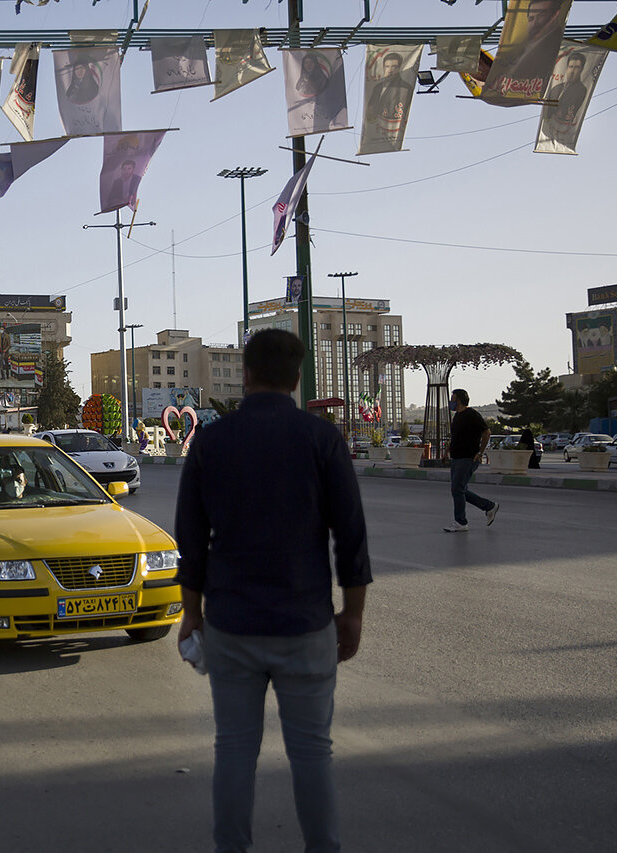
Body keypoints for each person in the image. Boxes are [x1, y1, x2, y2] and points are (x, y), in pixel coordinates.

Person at [174, 329, 370, 853]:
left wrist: (192, 615)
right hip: (306, 624)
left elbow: (191, 540)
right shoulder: (321, 439)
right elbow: (351, 535)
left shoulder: (212, 441)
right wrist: (351, 614)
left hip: (232, 626)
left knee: (234, 751)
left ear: (246, 374)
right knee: (312, 753)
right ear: (297, 377)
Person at [443, 388, 498, 532]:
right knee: (459, 490)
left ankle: (461, 522)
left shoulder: (472, 414)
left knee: (457, 489)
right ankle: (489, 506)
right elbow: (454, 437)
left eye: (453, 398)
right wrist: (446, 452)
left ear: (459, 399)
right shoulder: (457, 417)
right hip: (456, 458)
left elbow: (487, 432)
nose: (451, 401)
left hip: (468, 458)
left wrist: (480, 452)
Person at [544, 51, 588, 143]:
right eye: (571, 67)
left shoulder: (581, 90)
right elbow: (547, 110)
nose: (572, 71)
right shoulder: (556, 88)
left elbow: (564, 112)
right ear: (567, 68)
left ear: (581, 69)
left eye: (576, 68)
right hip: (548, 129)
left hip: (563, 129)